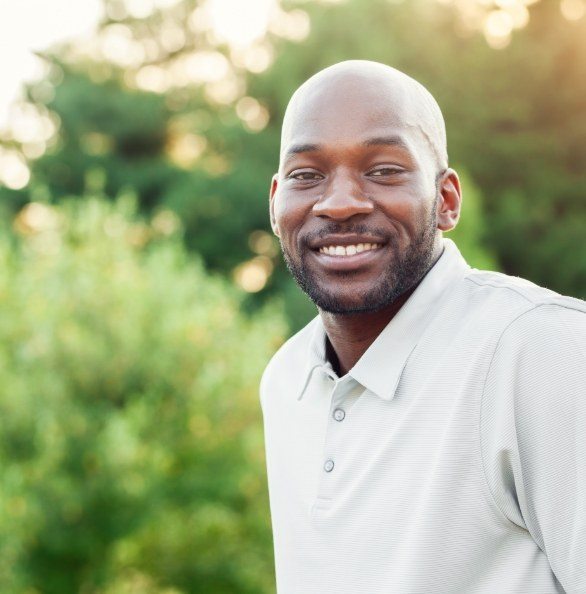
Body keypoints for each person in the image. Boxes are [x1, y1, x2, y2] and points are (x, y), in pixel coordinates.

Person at [259, 60, 586, 594]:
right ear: (276, 204)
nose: (339, 202)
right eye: (306, 175)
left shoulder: (546, 354)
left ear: (446, 201)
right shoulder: (285, 380)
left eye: (383, 169)